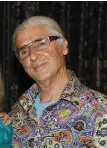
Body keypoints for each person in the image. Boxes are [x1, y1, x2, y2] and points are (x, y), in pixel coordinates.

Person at [9, 16, 107, 147]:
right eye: (24, 51)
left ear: (64, 47)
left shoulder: (100, 109)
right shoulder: (15, 114)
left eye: (41, 44)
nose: (32, 56)